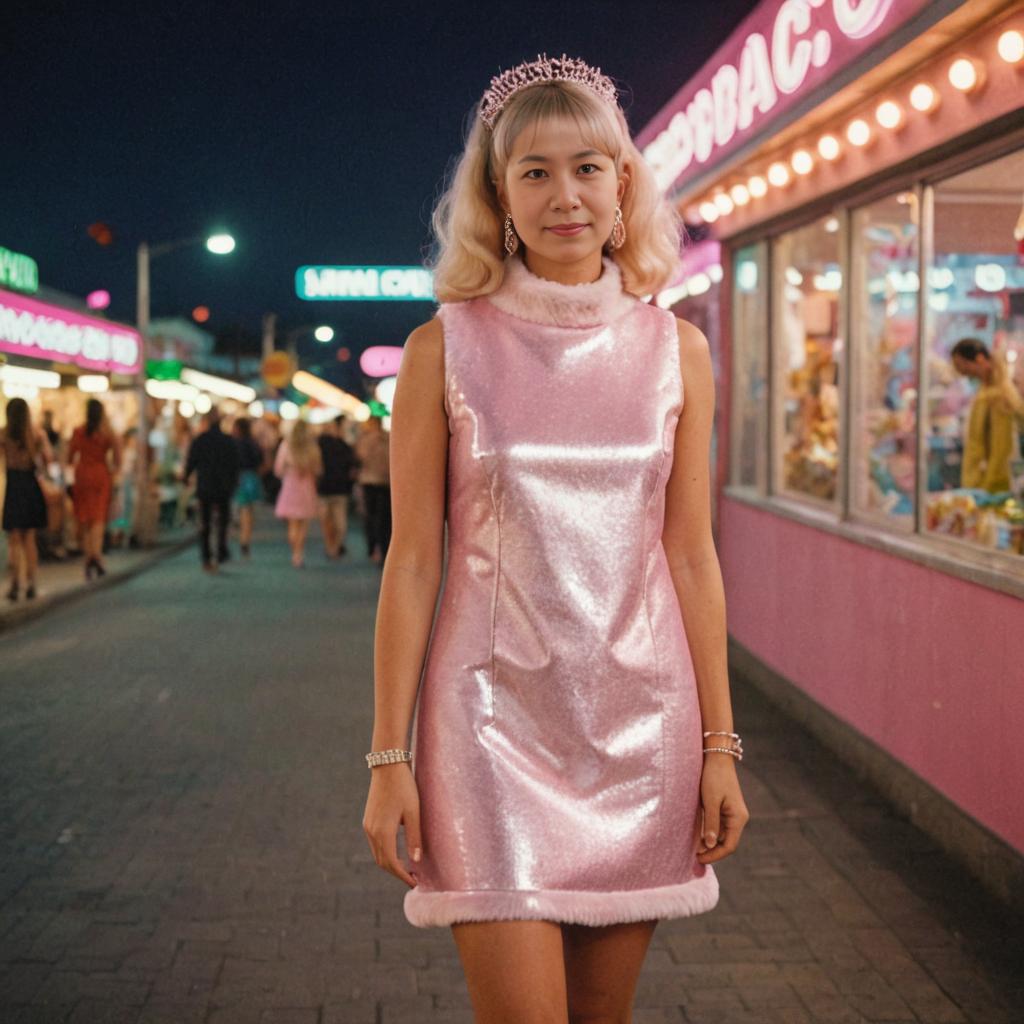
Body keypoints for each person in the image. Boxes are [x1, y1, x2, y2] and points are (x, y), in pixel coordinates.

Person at [361, 56, 749, 1021]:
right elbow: (413, 563)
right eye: (533, 171)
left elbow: (691, 556)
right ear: (497, 194)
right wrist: (388, 757)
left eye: (587, 166)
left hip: (638, 730)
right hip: (486, 732)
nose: (563, 194)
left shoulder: (677, 353)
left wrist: (719, 746)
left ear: (624, 183)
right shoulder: (441, 349)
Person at [950, 337, 1024, 493]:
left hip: (992, 485)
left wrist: (989, 487)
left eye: (961, 365)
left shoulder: (999, 396)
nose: (961, 372)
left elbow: (1001, 450)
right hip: (981, 482)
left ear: (979, 359)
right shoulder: (986, 391)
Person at [1, 397, 54, 600]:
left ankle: (15, 583)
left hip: (13, 487)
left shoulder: (4, 434)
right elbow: (48, 461)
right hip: (31, 485)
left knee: (14, 539)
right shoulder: (36, 434)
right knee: (29, 538)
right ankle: (32, 583)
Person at [67, 398, 122, 580]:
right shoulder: (106, 433)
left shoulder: (78, 431)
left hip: (82, 476)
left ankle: (89, 557)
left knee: (84, 519)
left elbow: (69, 456)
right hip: (100, 476)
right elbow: (117, 457)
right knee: (98, 518)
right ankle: (96, 556)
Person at [183, 408, 240, 572]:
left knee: (205, 522)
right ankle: (221, 550)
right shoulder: (228, 441)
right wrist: (233, 482)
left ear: (206, 422)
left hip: (205, 485)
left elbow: (191, 461)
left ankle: (206, 556)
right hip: (223, 486)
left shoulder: (201, 440)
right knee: (223, 520)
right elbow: (235, 464)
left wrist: (186, 477)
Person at [274, 418, 322, 568]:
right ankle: (298, 553)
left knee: (293, 524)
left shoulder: (286, 446)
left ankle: (295, 552)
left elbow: (278, 469)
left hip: (290, 485)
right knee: (303, 523)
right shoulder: (312, 447)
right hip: (307, 486)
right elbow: (318, 469)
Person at [317, 415, 356, 558]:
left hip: (336, 489)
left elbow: (352, 466)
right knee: (329, 521)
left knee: (337, 523)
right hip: (329, 489)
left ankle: (334, 546)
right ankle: (331, 546)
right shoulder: (321, 443)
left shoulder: (342, 445)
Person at [355, 416, 391, 564]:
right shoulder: (388, 438)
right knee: (384, 518)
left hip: (369, 481)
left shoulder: (366, 439)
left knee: (371, 516)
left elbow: (360, 457)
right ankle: (383, 549)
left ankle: (373, 547)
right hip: (385, 481)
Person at [232, 417, 263, 557]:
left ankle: (244, 537)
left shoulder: (234, 443)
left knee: (243, 508)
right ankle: (246, 537)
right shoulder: (253, 443)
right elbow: (261, 460)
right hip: (251, 477)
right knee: (248, 509)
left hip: (239, 477)